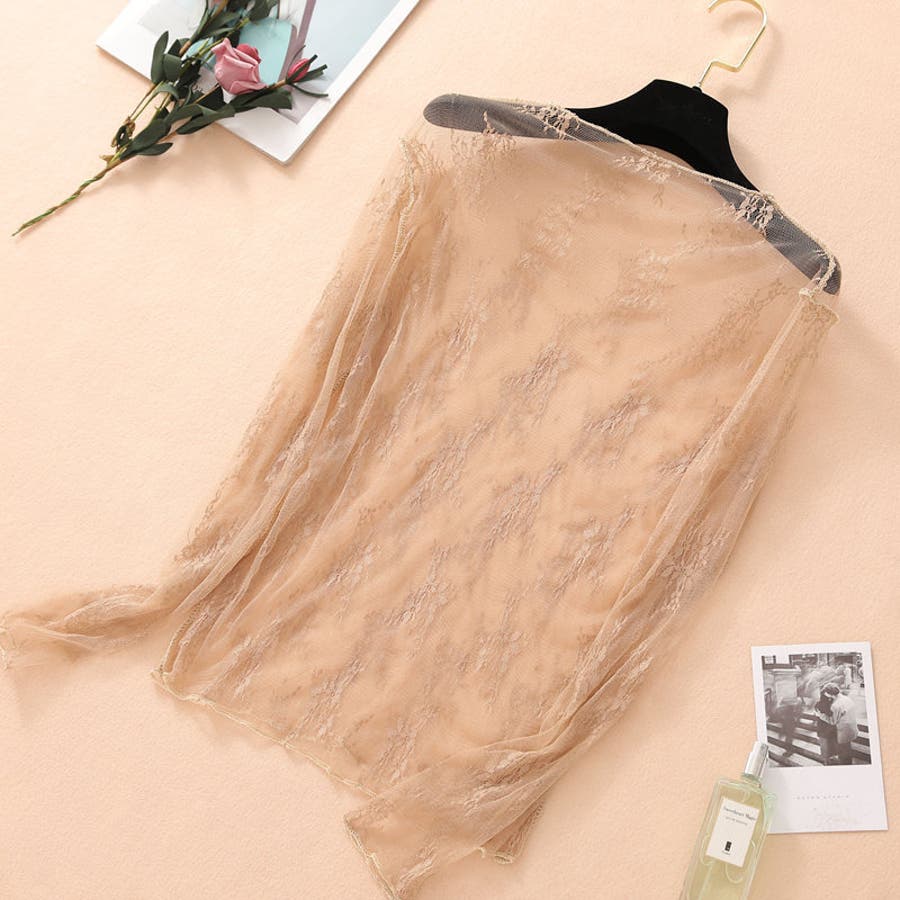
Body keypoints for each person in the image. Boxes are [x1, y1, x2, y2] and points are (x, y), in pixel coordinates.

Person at [822, 683, 859, 765]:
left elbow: (832, 721)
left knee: (843, 754)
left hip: (843, 732)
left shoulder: (835, 705)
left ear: (830, 694)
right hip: (852, 729)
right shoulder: (847, 699)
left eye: (826, 694)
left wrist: (821, 715)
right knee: (847, 750)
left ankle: (845, 765)